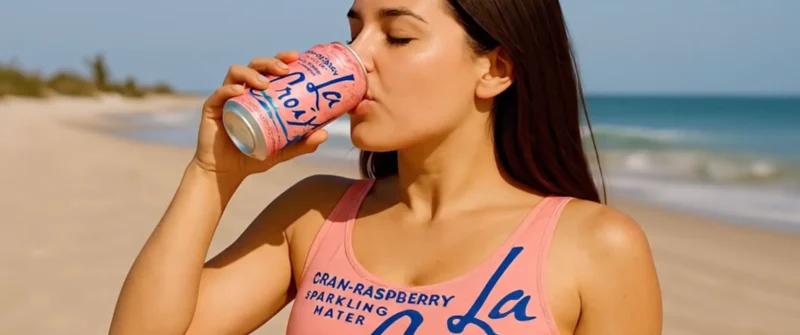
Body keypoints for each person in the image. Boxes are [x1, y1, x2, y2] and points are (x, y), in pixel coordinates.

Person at [109, 0, 663, 334]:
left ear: (495, 69)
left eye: (397, 36)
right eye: (354, 33)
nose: (356, 58)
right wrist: (211, 175)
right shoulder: (318, 215)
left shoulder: (596, 247)